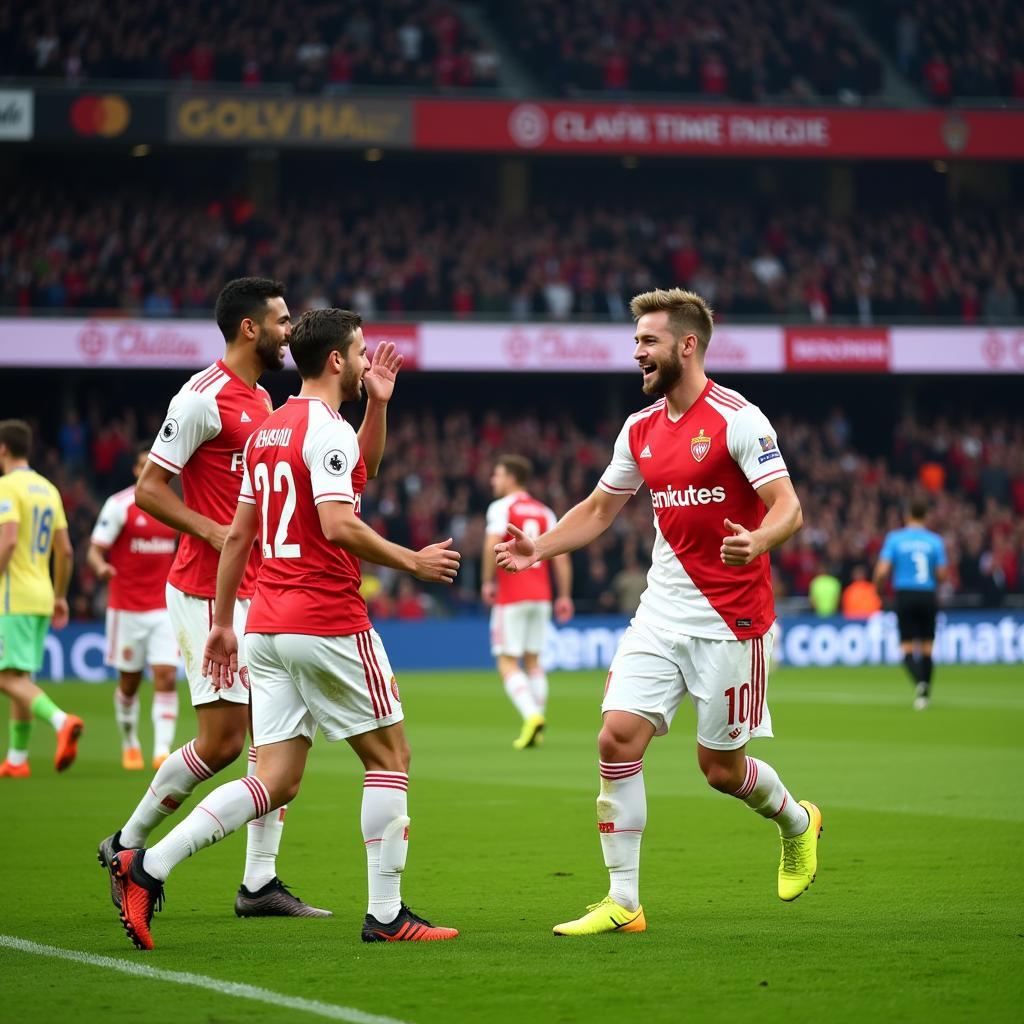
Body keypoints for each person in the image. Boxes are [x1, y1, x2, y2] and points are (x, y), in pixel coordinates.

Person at [109, 309, 461, 949]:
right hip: (326, 618)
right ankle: (387, 915)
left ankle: (146, 864)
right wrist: (412, 560)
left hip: (265, 624)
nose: (364, 362)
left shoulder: (269, 429)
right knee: (390, 759)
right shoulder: (322, 430)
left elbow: (245, 530)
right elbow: (338, 523)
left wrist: (222, 623)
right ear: (335, 360)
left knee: (275, 778)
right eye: (358, 352)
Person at [495, 288, 820, 936]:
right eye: (636, 340)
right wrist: (539, 546)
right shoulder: (639, 429)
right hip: (660, 615)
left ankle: (798, 821)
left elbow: (789, 506)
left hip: (733, 623)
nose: (636, 352)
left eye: (648, 341)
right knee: (615, 735)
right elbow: (597, 509)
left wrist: (757, 540)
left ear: (687, 345)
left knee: (720, 770)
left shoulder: (739, 419)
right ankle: (624, 901)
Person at [97, 278, 329, 919]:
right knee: (225, 741)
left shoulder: (261, 398)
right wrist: (219, 532)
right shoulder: (201, 397)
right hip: (205, 591)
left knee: (278, 739)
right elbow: (149, 489)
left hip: (265, 591)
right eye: (282, 320)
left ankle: (259, 883)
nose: (291, 330)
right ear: (250, 328)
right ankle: (128, 842)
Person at [87, 444, 179, 771]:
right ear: (136, 471)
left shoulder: (174, 505)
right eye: (142, 466)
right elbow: (95, 550)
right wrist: (101, 567)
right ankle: (129, 743)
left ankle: (163, 750)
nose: (146, 471)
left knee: (166, 676)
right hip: (126, 608)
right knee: (129, 682)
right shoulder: (119, 505)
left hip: (164, 608)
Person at [0, 419, 83, 777]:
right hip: (41, 593)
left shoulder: (7, 487)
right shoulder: (48, 489)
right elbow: (65, 550)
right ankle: (17, 759)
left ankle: (61, 721)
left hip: (12, 597)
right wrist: (60, 595)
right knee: (20, 677)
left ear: (3, 449)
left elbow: (8, 540)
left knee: (4, 677)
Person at [480, 455, 573, 749]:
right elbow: (561, 557)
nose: (493, 480)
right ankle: (539, 725)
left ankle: (532, 716)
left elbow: (490, 544)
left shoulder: (502, 507)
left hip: (511, 595)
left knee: (507, 661)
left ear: (510, 477)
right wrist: (564, 596)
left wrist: (487, 581)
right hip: (542, 596)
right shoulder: (545, 511)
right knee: (533, 661)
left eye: (497, 475)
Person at [873, 498, 947, 710]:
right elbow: (942, 574)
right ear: (926, 516)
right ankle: (925, 691)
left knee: (906, 648)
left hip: (904, 594)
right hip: (927, 594)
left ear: (907, 515)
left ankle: (920, 684)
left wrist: (878, 589)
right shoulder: (935, 541)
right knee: (927, 648)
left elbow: (882, 571)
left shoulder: (895, 539)